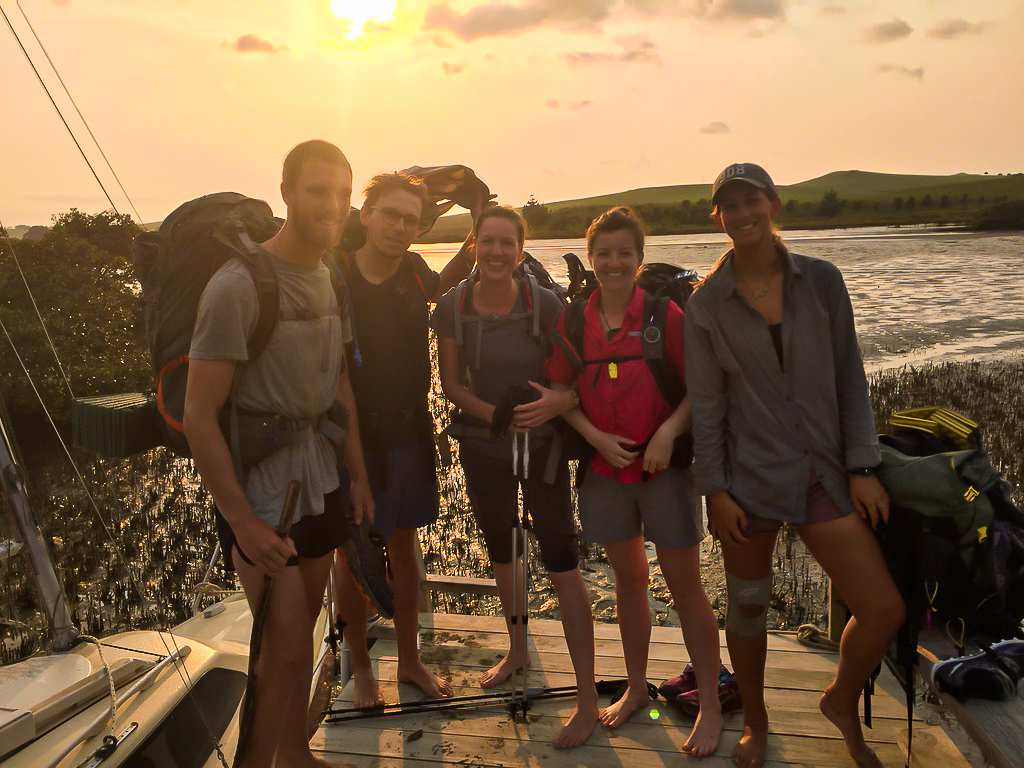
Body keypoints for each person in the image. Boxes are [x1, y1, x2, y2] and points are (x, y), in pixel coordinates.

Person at [685, 162, 905, 768]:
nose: (742, 214)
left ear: (773, 206)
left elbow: (849, 376)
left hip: (820, 475)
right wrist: (715, 492)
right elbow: (706, 409)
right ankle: (756, 725)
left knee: (883, 609)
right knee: (749, 608)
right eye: (729, 206)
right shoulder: (706, 306)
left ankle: (840, 700)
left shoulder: (823, 282)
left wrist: (862, 465)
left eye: (751, 201)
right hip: (747, 483)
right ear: (719, 218)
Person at [184, 139, 370, 768]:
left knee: (302, 634)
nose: (334, 205)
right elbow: (198, 414)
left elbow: (338, 384)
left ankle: (293, 752)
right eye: (318, 190)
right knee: (284, 649)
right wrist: (241, 522)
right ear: (287, 192)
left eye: (344, 193)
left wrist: (359, 476)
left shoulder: (329, 275)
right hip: (264, 491)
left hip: (319, 475)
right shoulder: (237, 286)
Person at [544, 206, 724, 757]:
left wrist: (669, 432)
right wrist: (594, 437)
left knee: (687, 588)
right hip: (604, 473)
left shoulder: (666, 317)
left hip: (664, 473)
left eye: (625, 253)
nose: (614, 262)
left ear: (639, 258)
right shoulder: (575, 320)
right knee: (629, 584)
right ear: (591, 258)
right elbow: (560, 392)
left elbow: (701, 389)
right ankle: (636, 687)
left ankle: (712, 708)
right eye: (604, 254)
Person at [432, 205, 600, 749]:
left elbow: (577, 379)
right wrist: (496, 418)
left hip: (544, 448)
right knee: (502, 548)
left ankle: (588, 697)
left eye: (508, 244)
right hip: (485, 448)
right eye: (488, 242)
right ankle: (518, 646)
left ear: (521, 251)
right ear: (473, 245)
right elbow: (452, 384)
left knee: (561, 557)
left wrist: (556, 403)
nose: (497, 252)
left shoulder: (546, 305)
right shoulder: (453, 306)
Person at [333, 171, 484, 706]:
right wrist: (351, 465)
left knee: (404, 546)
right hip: (353, 437)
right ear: (366, 215)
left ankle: (411, 662)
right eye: (390, 215)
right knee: (351, 558)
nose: (400, 227)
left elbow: (453, 283)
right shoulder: (336, 274)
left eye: (411, 219)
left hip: (409, 430)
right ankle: (361, 668)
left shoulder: (415, 273)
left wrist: (479, 223)